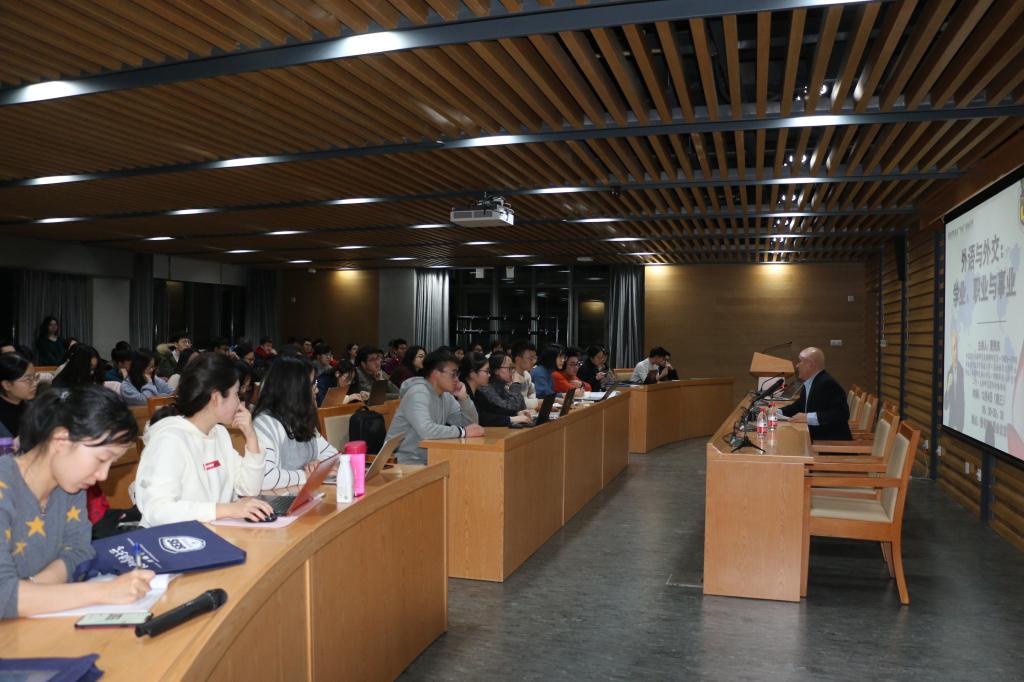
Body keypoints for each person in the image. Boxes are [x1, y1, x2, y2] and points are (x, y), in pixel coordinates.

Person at [0, 385, 154, 619]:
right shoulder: (6, 486)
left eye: (111, 464)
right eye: (101, 459)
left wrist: (32, 590)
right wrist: (104, 592)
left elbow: (79, 551)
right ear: (61, 440)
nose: (103, 475)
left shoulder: (70, 486)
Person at [134, 353, 272, 526]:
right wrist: (227, 510)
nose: (240, 402)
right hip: (174, 539)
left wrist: (251, 437)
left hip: (212, 533)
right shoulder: (169, 440)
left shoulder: (219, 434)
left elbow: (249, 488)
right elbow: (157, 510)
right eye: (236, 394)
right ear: (216, 398)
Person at [252, 356, 338, 491]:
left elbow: (333, 454)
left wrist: (318, 464)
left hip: (303, 493)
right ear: (296, 389)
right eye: (312, 384)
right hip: (278, 497)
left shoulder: (300, 417)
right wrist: (306, 475)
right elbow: (265, 477)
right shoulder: (265, 424)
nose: (316, 390)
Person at [386, 350, 484, 465]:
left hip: (431, 459)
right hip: (401, 463)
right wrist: (462, 432)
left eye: (457, 374)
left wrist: (464, 398)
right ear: (435, 373)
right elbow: (427, 430)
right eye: (453, 374)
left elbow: (471, 426)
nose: (457, 379)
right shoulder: (417, 393)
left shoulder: (446, 395)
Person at [779, 347, 852, 441]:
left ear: (810, 364)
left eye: (800, 361)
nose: (797, 365)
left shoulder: (827, 383)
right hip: (815, 436)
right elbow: (799, 406)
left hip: (830, 442)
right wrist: (778, 412)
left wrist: (808, 417)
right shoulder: (811, 382)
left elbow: (842, 413)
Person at [465, 353, 531, 427]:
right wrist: (511, 419)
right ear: (472, 373)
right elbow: (482, 417)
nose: (489, 374)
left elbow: (495, 409)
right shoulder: (484, 389)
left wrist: (517, 413)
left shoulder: (478, 393)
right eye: (486, 371)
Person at [0, 353, 38, 439]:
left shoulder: (31, 406)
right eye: (28, 379)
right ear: (7, 385)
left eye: (35, 377)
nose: (35, 383)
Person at [944, 327, 965, 432]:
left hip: (961, 424)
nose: (955, 351)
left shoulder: (962, 371)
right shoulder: (949, 373)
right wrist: (947, 389)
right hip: (951, 423)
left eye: (957, 347)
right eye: (953, 348)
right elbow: (945, 406)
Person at [509, 341, 539, 408]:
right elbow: (515, 402)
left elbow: (532, 392)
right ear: (518, 359)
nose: (533, 362)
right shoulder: (509, 376)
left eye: (534, 358)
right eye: (530, 358)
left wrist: (533, 401)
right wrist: (537, 403)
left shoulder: (527, 374)